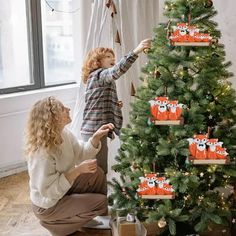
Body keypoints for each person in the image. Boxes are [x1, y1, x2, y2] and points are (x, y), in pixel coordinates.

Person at [24, 96, 114, 236]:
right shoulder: (42, 153)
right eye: (62, 109)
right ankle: (57, 225)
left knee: (97, 174)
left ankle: (92, 218)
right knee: (100, 202)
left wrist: (95, 138)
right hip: (48, 205)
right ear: (53, 118)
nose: (68, 109)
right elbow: (49, 192)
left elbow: (82, 153)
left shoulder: (64, 134)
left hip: (62, 191)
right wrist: (77, 171)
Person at [81, 38, 151, 174]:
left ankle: (100, 192)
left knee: (100, 168)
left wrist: (114, 105)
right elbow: (117, 70)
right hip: (94, 130)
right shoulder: (98, 75)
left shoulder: (101, 78)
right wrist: (136, 51)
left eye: (113, 56)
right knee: (96, 170)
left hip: (98, 129)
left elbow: (99, 99)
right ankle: (97, 192)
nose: (112, 58)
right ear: (97, 61)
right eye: (108, 56)